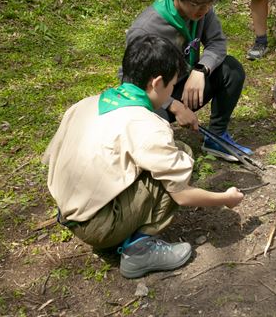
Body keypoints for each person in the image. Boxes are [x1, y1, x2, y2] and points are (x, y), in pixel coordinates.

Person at [43, 35, 245, 279]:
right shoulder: (149, 126)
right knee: (181, 154)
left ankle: (115, 225)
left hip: (68, 210)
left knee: (166, 153)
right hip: (97, 226)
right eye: (172, 86)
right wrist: (225, 198)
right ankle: (138, 250)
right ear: (157, 83)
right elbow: (181, 195)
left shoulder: (86, 104)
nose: (172, 92)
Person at [125, 0, 252, 162]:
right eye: (196, 4)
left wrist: (201, 70)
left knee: (231, 69)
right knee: (145, 136)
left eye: (209, 4)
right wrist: (173, 105)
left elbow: (217, 43)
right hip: (153, 97)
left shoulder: (203, 11)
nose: (203, 10)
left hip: (184, 84)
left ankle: (216, 138)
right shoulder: (146, 28)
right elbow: (132, 82)